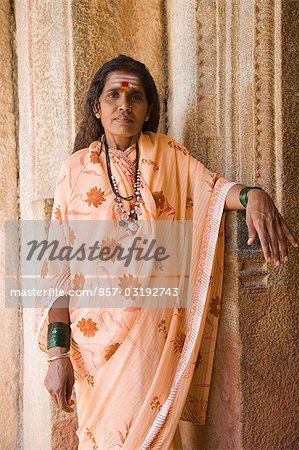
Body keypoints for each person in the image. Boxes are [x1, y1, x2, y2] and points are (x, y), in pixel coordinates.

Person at [35, 55, 297, 449]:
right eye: (113, 95)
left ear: (147, 110)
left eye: (135, 96)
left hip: (151, 344)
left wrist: (253, 195)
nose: (124, 104)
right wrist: (57, 356)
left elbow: (211, 190)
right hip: (92, 352)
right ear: (97, 106)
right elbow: (57, 267)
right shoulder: (73, 171)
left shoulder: (167, 155)